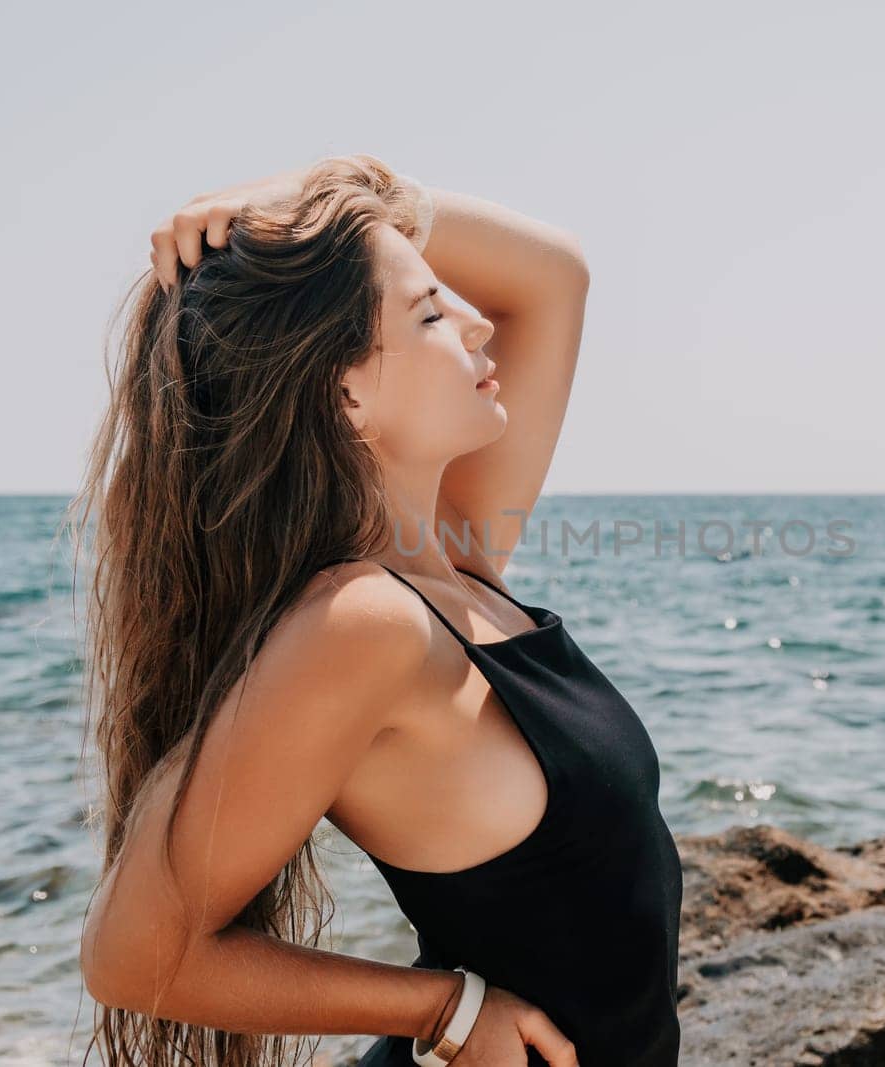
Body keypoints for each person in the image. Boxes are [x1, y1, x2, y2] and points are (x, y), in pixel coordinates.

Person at [69, 155, 682, 1067]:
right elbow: (131, 958)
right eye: (432, 313)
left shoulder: (460, 563)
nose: (475, 321)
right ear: (345, 391)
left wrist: (318, 199)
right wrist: (448, 1011)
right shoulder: (364, 625)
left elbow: (554, 275)